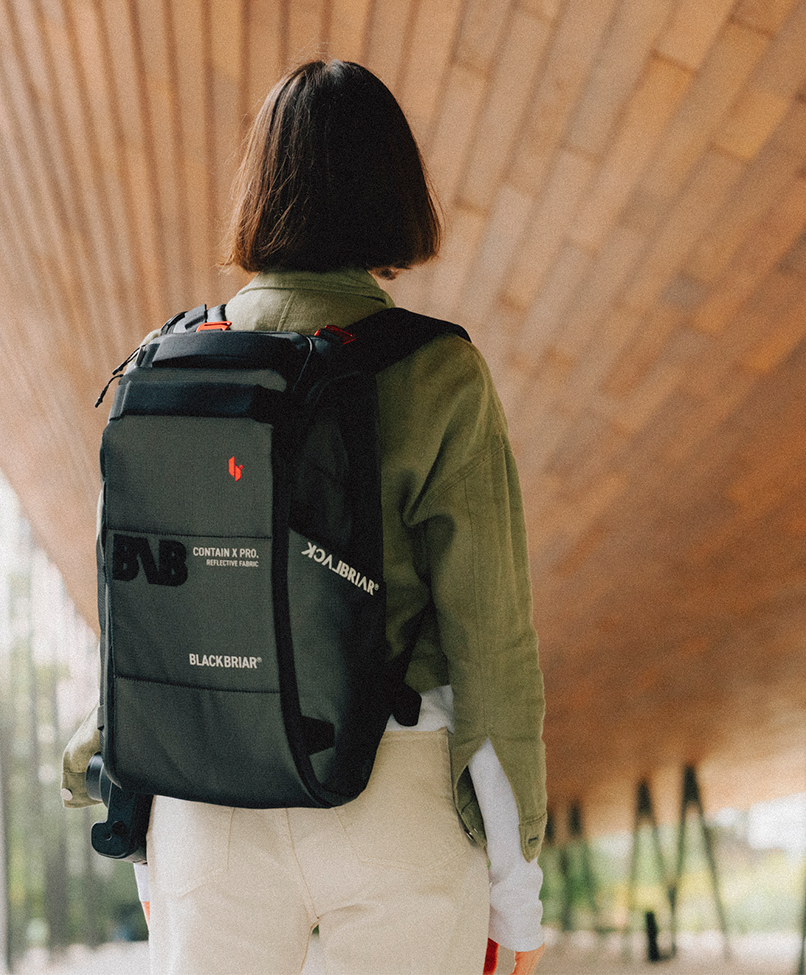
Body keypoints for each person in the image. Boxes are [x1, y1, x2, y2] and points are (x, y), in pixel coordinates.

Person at [63, 58, 546, 975]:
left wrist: (140, 832)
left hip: (206, 806)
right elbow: (494, 646)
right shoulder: (440, 374)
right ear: (397, 191)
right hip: (396, 796)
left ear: (260, 190)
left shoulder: (168, 374)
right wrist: (515, 901)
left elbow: (138, 622)